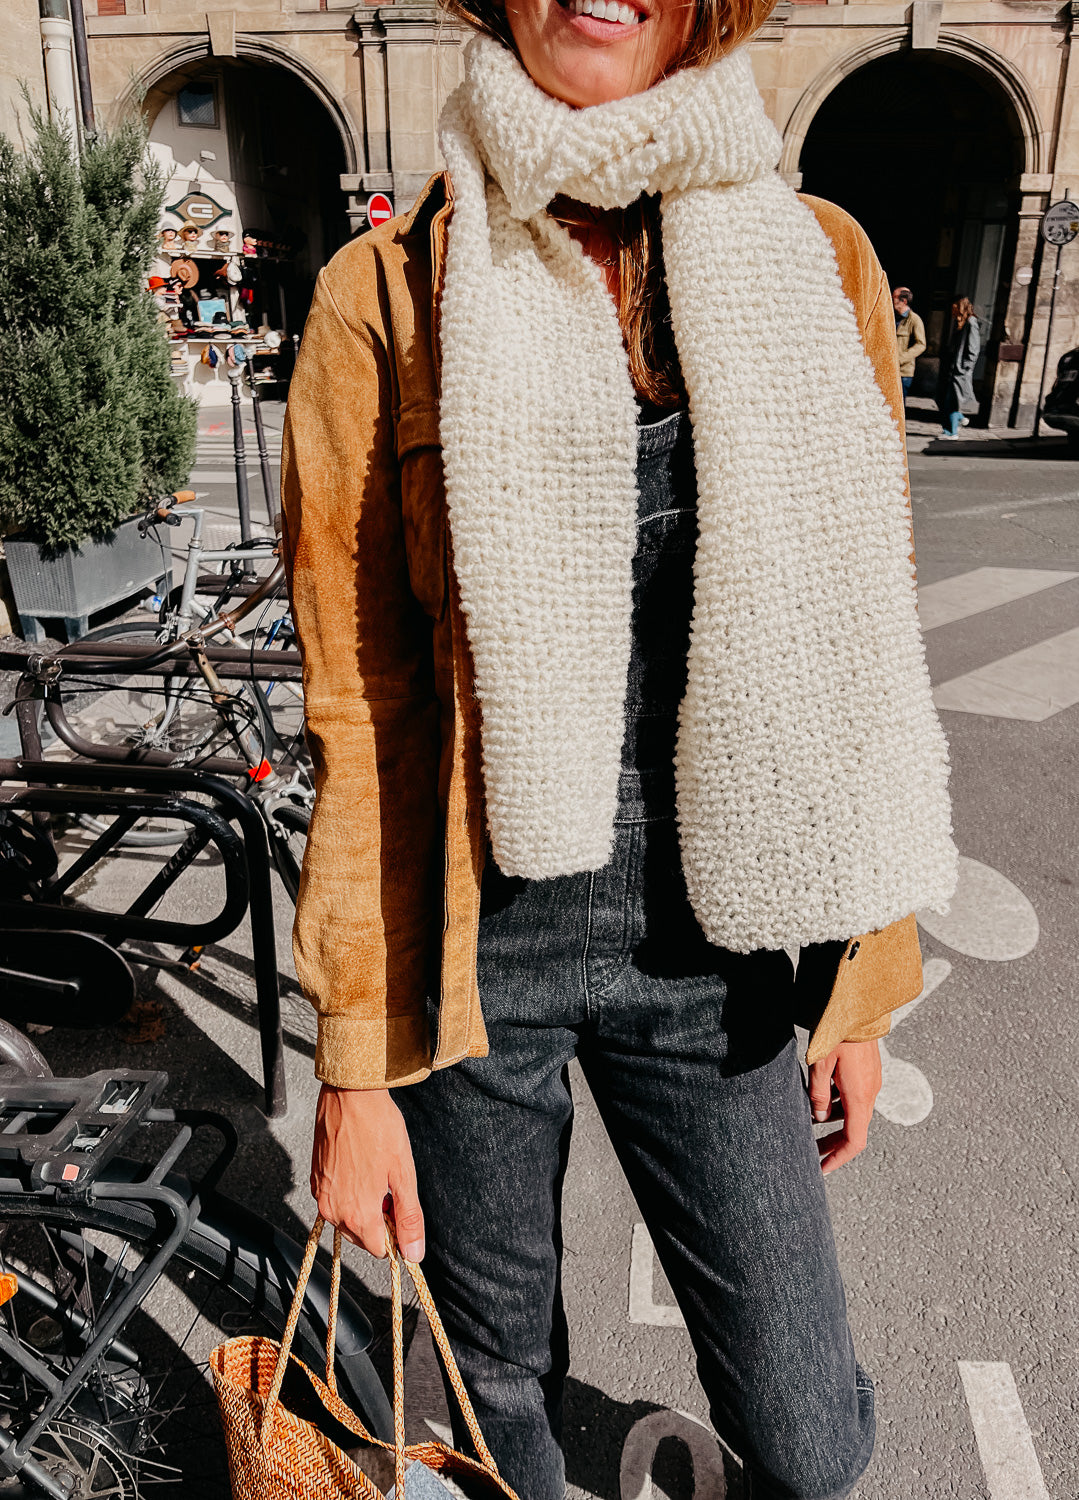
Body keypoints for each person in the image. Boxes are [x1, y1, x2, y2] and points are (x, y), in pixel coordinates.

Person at [282, 0, 958, 1496]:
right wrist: (353, 1071)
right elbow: (362, 707)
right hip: (479, 939)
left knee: (807, 1437)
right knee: (494, 1395)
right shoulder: (383, 294)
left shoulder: (814, 259)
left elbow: (858, 646)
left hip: (715, 938)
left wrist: (861, 983)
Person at [937, 295, 981, 438]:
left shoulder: (971, 322)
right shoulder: (960, 323)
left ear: (959, 306)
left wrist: (965, 367)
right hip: (952, 369)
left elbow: (974, 348)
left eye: (954, 306)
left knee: (951, 401)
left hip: (959, 371)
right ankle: (959, 419)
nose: (952, 310)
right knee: (945, 399)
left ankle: (951, 432)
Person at [893, 285, 926, 398]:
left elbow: (921, 345)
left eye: (894, 297)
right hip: (889, 369)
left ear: (904, 301)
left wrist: (900, 359)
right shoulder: (892, 317)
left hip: (903, 373)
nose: (891, 300)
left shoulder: (914, 319)